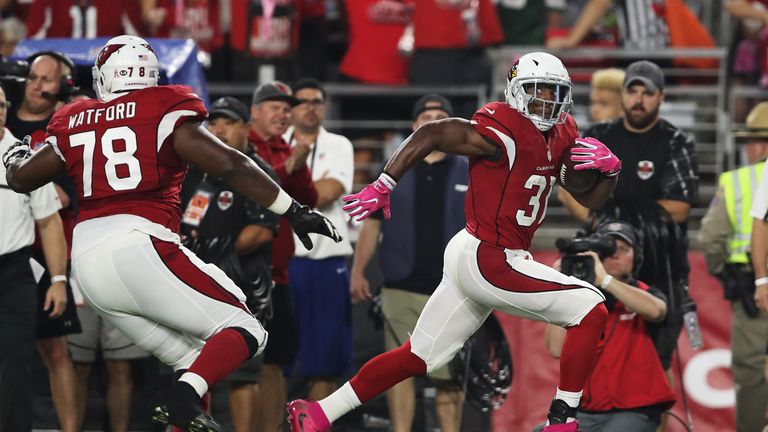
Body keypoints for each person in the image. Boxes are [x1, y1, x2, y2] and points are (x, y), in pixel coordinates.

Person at [3, 35, 341, 432]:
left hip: (89, 264)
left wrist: (13, 153)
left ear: (106, 76)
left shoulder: (75, 118)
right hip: (139, 244)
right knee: (246, 329)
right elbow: (230, 164)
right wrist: (293, 210)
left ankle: (183, 399)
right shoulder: (164, 107)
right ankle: (180, 397)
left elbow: (22, 179)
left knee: (194, 364)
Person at [287, 51, 623, 432]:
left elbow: (586, 196)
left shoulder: (563, 131)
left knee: (417, 355)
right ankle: (562, 421)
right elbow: (433, 133)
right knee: (590, 308)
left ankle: (318, 413)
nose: (547, 99)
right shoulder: (503, 128)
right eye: (537, 89)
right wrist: (386, 181)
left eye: (554, 91)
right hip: (491, 256)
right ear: (516, 91)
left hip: (474, 253)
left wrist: (609, 172)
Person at [349, 93, 468, 432]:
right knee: (399, 374)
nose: (432, 122)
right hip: (401, 284)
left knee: (449, 378)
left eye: (440, 116)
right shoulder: (392, 172)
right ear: (414, 126)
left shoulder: (471, 170)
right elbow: (371, 225)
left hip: (453, 289)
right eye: (426, 116)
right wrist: (358, 270)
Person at [582, 60, 699, 376]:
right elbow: (574, 192)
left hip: (661, 270)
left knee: (656, 370)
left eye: (646, 93)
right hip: (604, 268)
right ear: (622, 94)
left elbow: (679, 208)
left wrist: (610, 213)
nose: (638, 99)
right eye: (632, 91)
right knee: (594, 363)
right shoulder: (597, 135)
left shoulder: (676, 141)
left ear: (661, 96)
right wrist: (601, 214)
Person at [179, 95, 279, 432]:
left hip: (243, 289)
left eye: (229, 123)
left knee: (241, 378)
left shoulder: (255, 170)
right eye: (215, 122)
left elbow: (263, 231)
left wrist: (207, 254)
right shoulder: (194, 170)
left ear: (247, 129)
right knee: (188, 372)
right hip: (193, 289)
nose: (220, 130)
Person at [6, 50, 82, 432]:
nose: (36, 86)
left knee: (55, 351)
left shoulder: (64, 129)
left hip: (40, 254)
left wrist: (24, 170)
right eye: (33, 78)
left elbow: (62, 199)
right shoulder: (8, 119)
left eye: (46, 80)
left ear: (63, 86)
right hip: (15, 249)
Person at [541, 221, 675, 431]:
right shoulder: (580, 297)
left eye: (623, 249)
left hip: (635, 410)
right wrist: (561, 286)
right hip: (585, 411)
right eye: (608, 249)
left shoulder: (645, 292)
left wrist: (604, 279)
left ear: (636, 257)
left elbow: (656, 310)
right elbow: (555, 348)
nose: (615, 255)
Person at [247, 80, 319, 432]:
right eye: (274, 106)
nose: (283, 113)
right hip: (241, 274)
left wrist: (299, 165)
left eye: (286, 108)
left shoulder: (284, 148)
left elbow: (310, 199)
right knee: (243, 366)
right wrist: (291, 165)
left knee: (276, 363)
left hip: (279, 276)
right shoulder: (239, 146)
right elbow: (256, 191)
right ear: (255, 112)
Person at [0, 84, 68, 432]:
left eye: (0, 105)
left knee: (16, 366)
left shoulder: (24, 156)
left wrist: (58, 280)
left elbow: (49, 221)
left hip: (13, 273)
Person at [698, 101, 768, 432]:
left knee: (751, 370)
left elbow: (711, 240)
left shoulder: (738, 182)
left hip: (753, 291)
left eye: (752, 140)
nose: (748, 149)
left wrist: (724, 272)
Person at [284, 78, 355, 401]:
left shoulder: (340, 144)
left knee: (325, 361)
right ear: (291, 108)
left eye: (317, 101)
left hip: (326, 262)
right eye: (303, 101)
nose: (310, 107)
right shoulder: (276, 142)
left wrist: (283, 183)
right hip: (284, 261)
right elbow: (316, 192)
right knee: (275, 359)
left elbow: (327, 195)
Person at [558, 67, 625, 224]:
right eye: (592, 103)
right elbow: (565, 192)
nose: (594, 110)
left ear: (623, 106)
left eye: (603, 104)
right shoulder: (588, 138)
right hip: (599, 233)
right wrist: (597, 225)